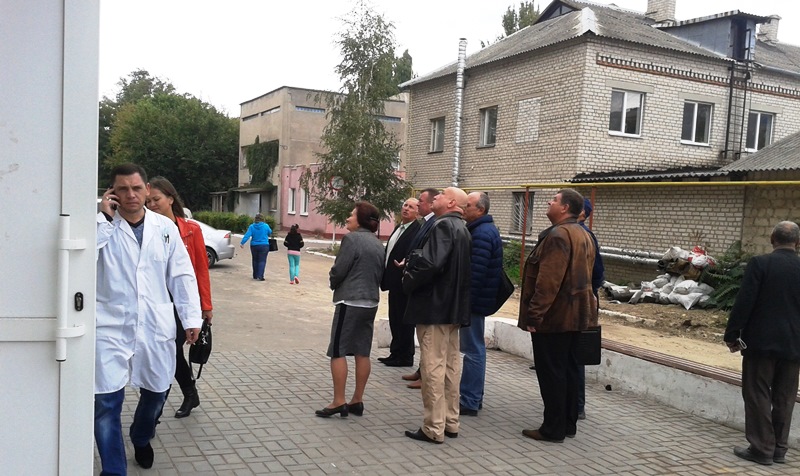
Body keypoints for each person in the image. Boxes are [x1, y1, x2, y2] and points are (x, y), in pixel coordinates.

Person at [95, 163, 201, 474]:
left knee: (157, 392)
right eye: (123, 189)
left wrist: (191, 318)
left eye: (136, 188)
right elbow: (83, 259)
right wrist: (103, 219)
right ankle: (114, 470)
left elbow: (181, 274)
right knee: (106, 403)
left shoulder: (164, 227)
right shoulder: (101, 225)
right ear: (112, 192)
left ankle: (141, 436)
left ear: (147, 190)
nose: (131, 194)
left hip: (155, 323)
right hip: (110, 325)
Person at [518, 188, 597, 443]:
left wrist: (534, 316)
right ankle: (568, 424)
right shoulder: (582, 233)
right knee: (568, 370)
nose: (549, 202)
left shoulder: (558, 235)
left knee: (551, 373)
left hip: (554, 319)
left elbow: (548, 283)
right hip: (576, 316)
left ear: (565, 208)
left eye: (554, 200)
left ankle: (552, 429)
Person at [724, 221, 800, 466]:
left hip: (760, 343)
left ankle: (762, 448)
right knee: (785, 397)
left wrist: (732, 334)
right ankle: (779, 449)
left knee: (757, 393)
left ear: (771, 239)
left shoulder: (760, 263)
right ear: (798, 243)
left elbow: (744, 301)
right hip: (794, 345)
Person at [402, 187, 472, 444]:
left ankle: (433, 427)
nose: (436, 197)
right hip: (452, 309)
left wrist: (408, 278)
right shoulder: (462, 228)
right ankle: (450, 422)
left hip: (435, 308)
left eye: (441, 194)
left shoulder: (443, 225)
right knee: (451, 367)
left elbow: (430, 264)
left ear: (451, 202)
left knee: (432, 367)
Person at [147, 176, 213, 419]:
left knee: (170, 352)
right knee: (168, 353)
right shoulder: (147, 229)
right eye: (148, 201)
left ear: (170, 199)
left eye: (156, 199)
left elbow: (201, 270)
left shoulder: (190, 230)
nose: (151, 204)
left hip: (182, 303)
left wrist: (205, 306)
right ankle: (188, 394)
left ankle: (154, 411)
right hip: (156, 301)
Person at [316, 202, 385, 418]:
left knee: (338, 350)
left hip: (350, 301)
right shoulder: (377, 243)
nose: (348, 218)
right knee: (362, 351)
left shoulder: (352, 239)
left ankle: (339, 401)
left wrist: (333, 281)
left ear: (361, 219)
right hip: (371, 302)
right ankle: (357, 400)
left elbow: (339, 270)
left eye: (352, 215)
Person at [459, 192, 503, 417]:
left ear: (480, 210)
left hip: (474, 302)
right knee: (474, 348)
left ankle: (469, 400)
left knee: (473, 350)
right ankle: (474, 397)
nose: (464, 209)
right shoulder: (481, 230)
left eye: (468, 205)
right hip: (477, 300)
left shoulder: (482, 234)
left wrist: (466, 303)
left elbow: (476, 273)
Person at [401, 188, 439, 389]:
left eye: (420, 201)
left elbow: (429, 258)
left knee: (429, 340)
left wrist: (412, 274)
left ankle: (426, 376)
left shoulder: (436, 224)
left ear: (431, 204)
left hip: (427, 289)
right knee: (422, 335)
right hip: (418, 284)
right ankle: (421, 370)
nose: (417, 204)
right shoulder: (426, 222)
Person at [377, 197, 420, 367]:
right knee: (394, 318)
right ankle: (395, 352)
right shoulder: (399, 227)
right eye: (405, 205)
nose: (406, 209)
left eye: (411, 207)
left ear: (418, 212)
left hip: (404, 282)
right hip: (393, 282)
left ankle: (405, 356)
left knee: (404, 321)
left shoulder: (417, 230)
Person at [576, 198, 605, 420]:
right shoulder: (577, 233)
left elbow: (597, 273)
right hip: (582, 300)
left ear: (582, 213)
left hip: (581, 303)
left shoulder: (584, 236)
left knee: (577, 354)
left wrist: (588, 294)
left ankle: (577, 406)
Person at [240, 213, 272, 281]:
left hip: (254, 245)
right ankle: (260, 276)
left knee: (255, 260)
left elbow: (247, 235)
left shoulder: (251, 226)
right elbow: (270, 232)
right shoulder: (266, 226)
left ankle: (255, 275)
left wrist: (242, 243)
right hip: (264, 245)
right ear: (262, 219)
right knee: (262, 261)